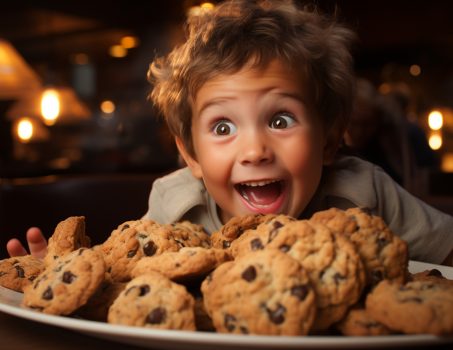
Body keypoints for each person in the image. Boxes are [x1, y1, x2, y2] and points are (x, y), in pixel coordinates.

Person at [6, 0, 453, 266]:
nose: (255, 149)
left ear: (330, 138)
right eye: (223, 127)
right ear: (192, 156)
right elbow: (121, 274)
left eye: (281, 120)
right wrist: (55, 271)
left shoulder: (366, 192)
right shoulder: (173, 204)